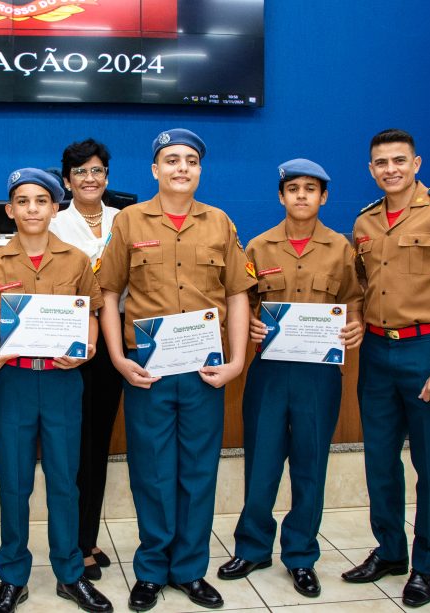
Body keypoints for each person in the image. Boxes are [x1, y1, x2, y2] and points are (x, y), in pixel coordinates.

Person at [98, 129, 256, 611]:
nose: (181, 167)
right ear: (155, 169)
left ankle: (189, 569)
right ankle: (150, 569)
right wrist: (119, 359)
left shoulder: (220, 223)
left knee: (197, 472)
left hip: (206, 373)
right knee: (151, 471)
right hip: (148, 370)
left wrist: (237, 361)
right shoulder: (128, 221)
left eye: (190, 160)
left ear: (200, 170)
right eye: (171, 160)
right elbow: (108, 293)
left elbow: (236, 295)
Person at [0, 168, 113, 613]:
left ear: (55, 207)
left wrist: (87, 347)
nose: (32, 208)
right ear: (9, 211)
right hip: (14, 383)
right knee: (14, 483)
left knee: (66, 482)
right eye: (23, 201)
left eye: (41, 200)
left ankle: (70, 573)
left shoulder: (75, 260)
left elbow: (91, 312)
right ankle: (13, 576)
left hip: (64, 382)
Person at [342, 129, 430, 608]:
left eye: (399, 160)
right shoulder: (364, 222)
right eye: (381, 163)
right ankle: (390, 551)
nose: (390, 169)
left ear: (417, 163)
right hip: (377, 355)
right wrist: (354, 321)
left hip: (427, 352)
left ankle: (427, 564)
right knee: (379, 461)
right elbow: (360, 289)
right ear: (371, 169)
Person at [216, 159, 364, 597]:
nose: (302, 195)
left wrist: (353, 327)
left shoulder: (341, 248)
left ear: (324, 197)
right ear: (281, 197)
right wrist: (254, 325)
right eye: (293, 188)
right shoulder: (258, 248)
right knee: (260, 461)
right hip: (269, 372)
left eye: (311, 189)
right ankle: (254, 546)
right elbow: (240, 304)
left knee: (310, 464)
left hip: (319, 375)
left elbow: (352, 302)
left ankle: (300, 554)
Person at [48, 138, 122, 581]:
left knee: (97, 442)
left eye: (96, 171)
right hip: (68, 343)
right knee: (71, 446)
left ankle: (87, 536)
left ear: (107, 177)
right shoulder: (52, 222)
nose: (90, 178)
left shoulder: (125, 220)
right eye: (80, 172)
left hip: (113, 341)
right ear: (66, 181)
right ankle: (74, 539)